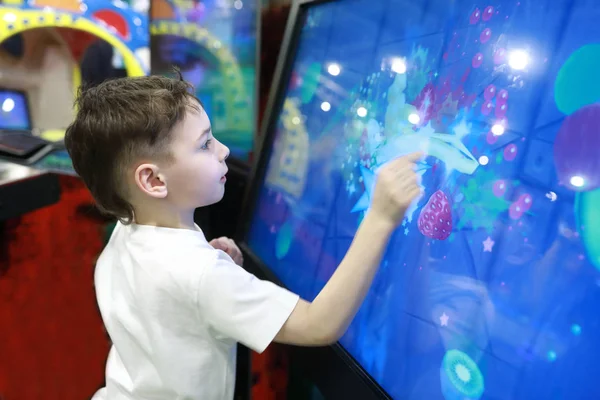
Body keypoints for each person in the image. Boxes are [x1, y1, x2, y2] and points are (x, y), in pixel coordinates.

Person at [64, 74, 423, 400]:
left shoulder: (126, 230)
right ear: (154, 181)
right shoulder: (201, 274)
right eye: (204, 144)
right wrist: (380, 216)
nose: (223, 151)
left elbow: (164, 296)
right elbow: (319, 325)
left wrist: (210, 277)